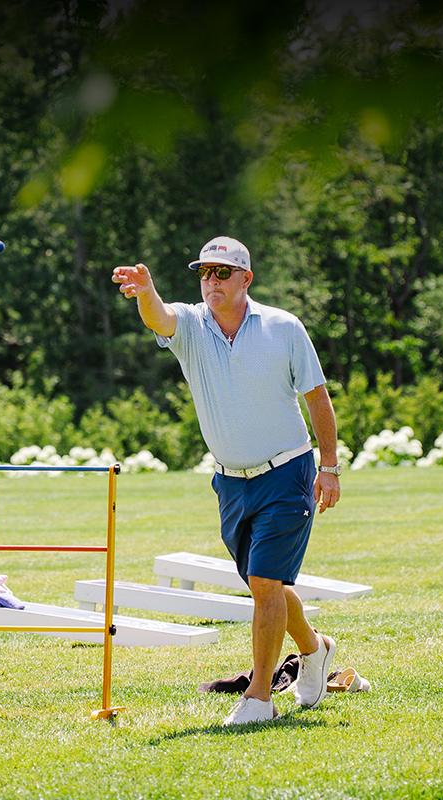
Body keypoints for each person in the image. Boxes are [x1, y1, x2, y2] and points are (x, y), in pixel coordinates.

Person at [111, 236, 343, 726]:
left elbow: (317, 398)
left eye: (221, 273)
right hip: (230, 483)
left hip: (288, 470)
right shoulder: (192, 325)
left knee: (264, 583)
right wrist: (147, 291)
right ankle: (315, 648)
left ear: (246, 279)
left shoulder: (284, 326)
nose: (210, 281)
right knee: (268, 585)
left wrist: (328, 466)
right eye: (204, 273)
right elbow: (158, 317)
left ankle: (259, 697)